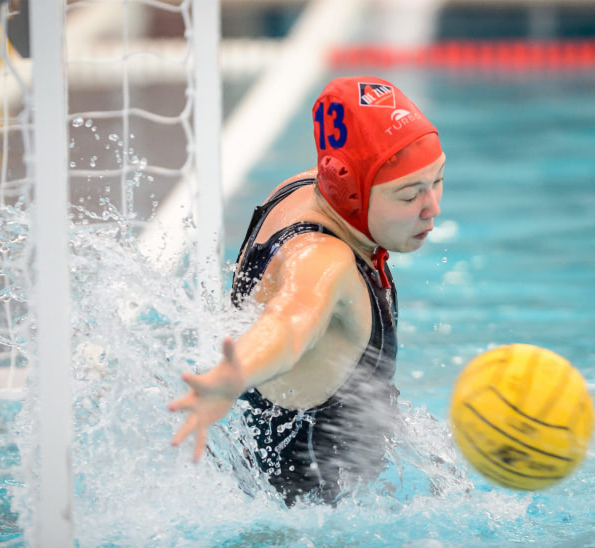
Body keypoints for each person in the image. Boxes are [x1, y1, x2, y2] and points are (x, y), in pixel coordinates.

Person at [170, 76, 445, 506]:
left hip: (260, 487)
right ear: (350, 191)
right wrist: (233, 376)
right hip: (308, 533)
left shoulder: (303, 189)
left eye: (438, 180)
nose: (433, 207)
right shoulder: (323, 261)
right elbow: (290, 325)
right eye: (409, 194)